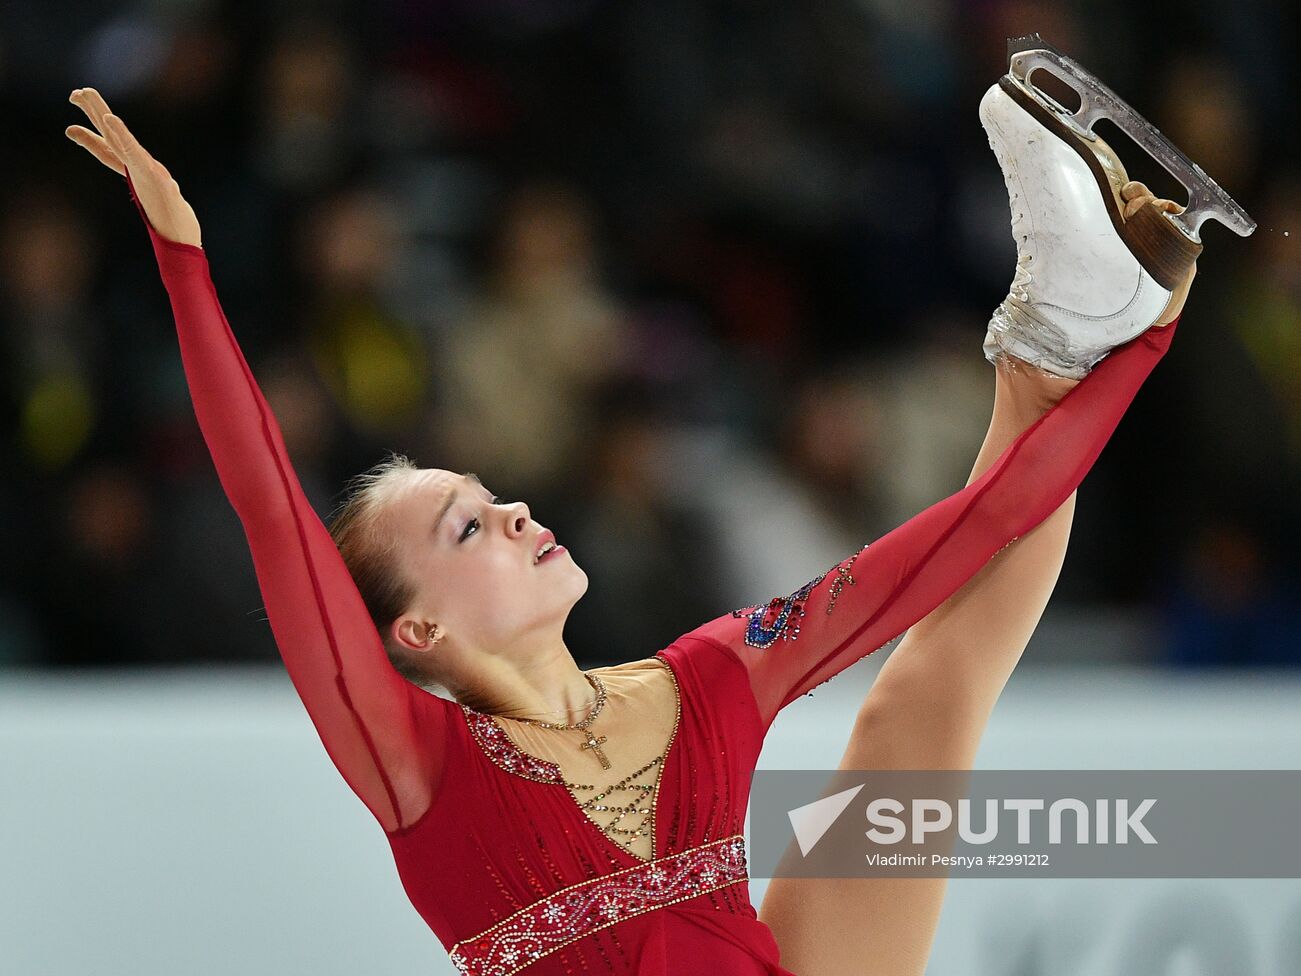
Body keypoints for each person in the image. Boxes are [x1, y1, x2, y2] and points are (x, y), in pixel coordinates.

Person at [66, 78, 1192, 975]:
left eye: (488, 497)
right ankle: (1078, 329)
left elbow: (968, 530)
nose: (510, 509)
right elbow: (271, 511)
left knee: (921, 693)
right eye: (464, 530)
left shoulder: (705, 676)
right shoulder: (420, 770)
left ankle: (1056, 324)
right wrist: (184, 264)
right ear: (410, 634)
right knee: (924, 676)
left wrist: (1127, 351)